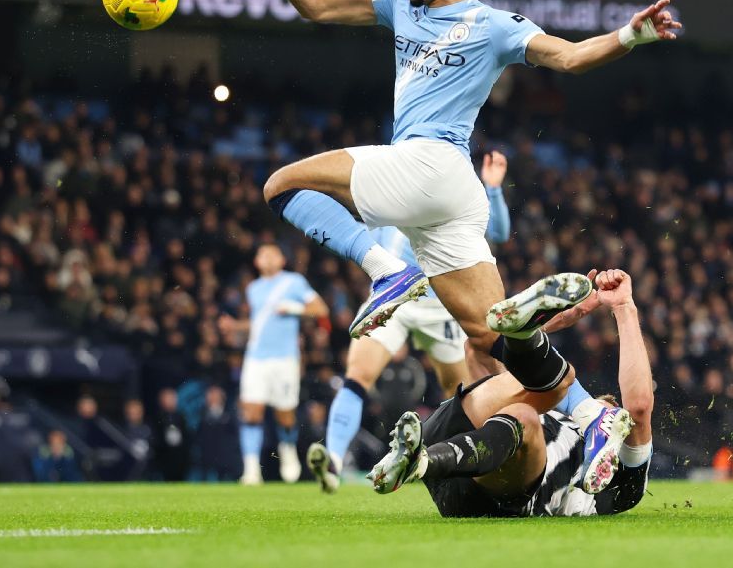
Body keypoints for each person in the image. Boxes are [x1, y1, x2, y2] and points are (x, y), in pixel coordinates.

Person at [251, 0, 681, 379]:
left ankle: (385, 270)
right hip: (455, 192)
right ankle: (584, 411)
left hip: (429, 164)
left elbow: (570, 56)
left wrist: (630, 34)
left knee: (282, 186)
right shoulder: (398, 1)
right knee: (492, 339)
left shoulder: (493, 25)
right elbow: (317, 4)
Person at [368, 269, 653, 517]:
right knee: (500, 358)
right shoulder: (549, 407)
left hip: (499, 491)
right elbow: (479, 351)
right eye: (608, 409)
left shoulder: (620, 484)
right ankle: (526, 335)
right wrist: (564, 318)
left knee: (538, 402)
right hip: (454, 437)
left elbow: (638, 408)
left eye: (612, 412)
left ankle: (422, 462)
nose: (615, 408)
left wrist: (624, 307)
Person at [308, 151, 509, 492]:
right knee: (357, 374)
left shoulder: (454, 189)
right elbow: (351, 228)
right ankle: (334, 462)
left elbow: (499, 234)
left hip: (440, 302)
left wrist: (492, 188)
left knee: (460, 390)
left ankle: (470, 467)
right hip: (395, 297)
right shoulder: (387, 192)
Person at [219, 243, 328, 484]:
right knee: (251, 411)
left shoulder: (294, 282)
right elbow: (259, 322)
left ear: (281, 260)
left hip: (285, 358)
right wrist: (235, 327)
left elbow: (321, 309)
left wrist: (294, 308)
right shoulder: (253, 288)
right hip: (256, 357)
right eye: (262, 254)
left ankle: (287, 451)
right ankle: (251, 470)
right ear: (256, 261)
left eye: (272, 254)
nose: (267, 258)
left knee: (285, 414)